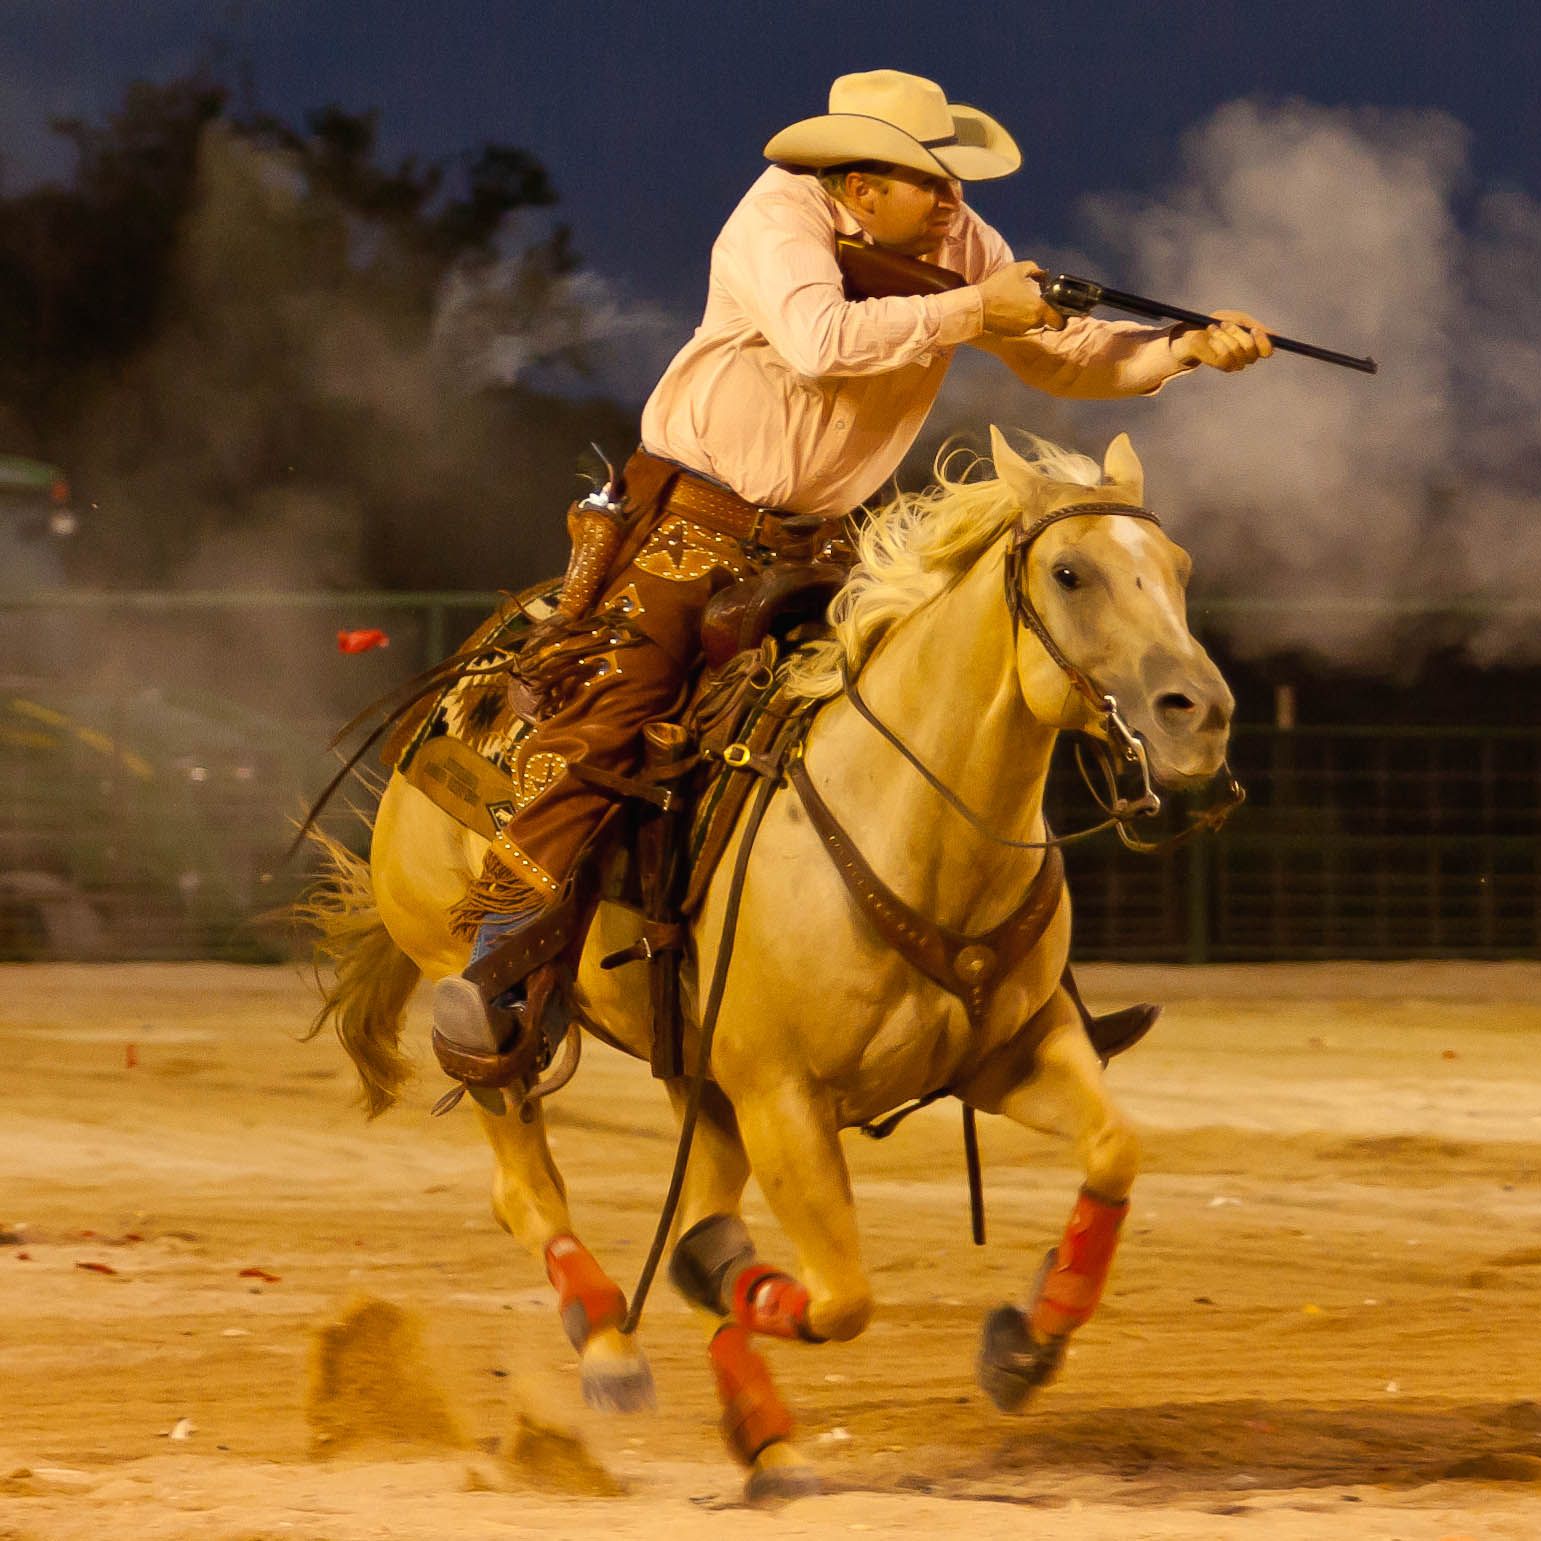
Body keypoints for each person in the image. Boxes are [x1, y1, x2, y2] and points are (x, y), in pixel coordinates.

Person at [435, 68, 1273, 1058]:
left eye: (954, 179)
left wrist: (1181, 352)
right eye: (933, 179)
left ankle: (1027, 993)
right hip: (689, 524)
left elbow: (1061, 354)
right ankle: (502, 969)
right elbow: (820, 339)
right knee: (608, 719)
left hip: (821, 538)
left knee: (950, 713)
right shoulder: (774, 221)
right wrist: (975, 310)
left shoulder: (957, 244)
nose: (957, 200)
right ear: (859, 184)